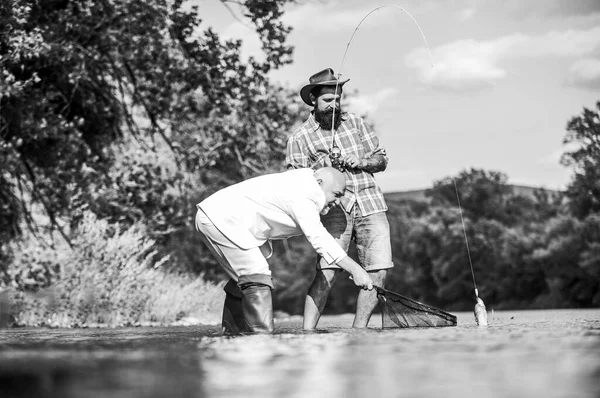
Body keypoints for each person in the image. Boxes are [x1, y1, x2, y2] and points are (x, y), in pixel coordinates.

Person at [195, 167, 374, 334]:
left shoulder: (303, 185)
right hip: (220, 217)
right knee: (256, 273)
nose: (338, 201)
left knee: (243, 278)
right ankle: (260, 339)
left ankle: (232, 335)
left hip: (214, 217)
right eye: (336, 194)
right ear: (319, 183)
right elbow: (319, 238)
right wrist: (356, 269)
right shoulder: (305, 192)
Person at [286, 68, 393, 330]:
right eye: (327, 100)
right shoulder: (299, 138)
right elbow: (294, 183)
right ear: (313, 100)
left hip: (370, 204)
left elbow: (382, 159)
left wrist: (363, 161)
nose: (334, 105)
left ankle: (360, 331)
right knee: (328, 271)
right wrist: (321, 168)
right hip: (333, 210)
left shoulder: (355, 123)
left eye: (337, 99)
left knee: (378, 270)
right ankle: (307, 332)